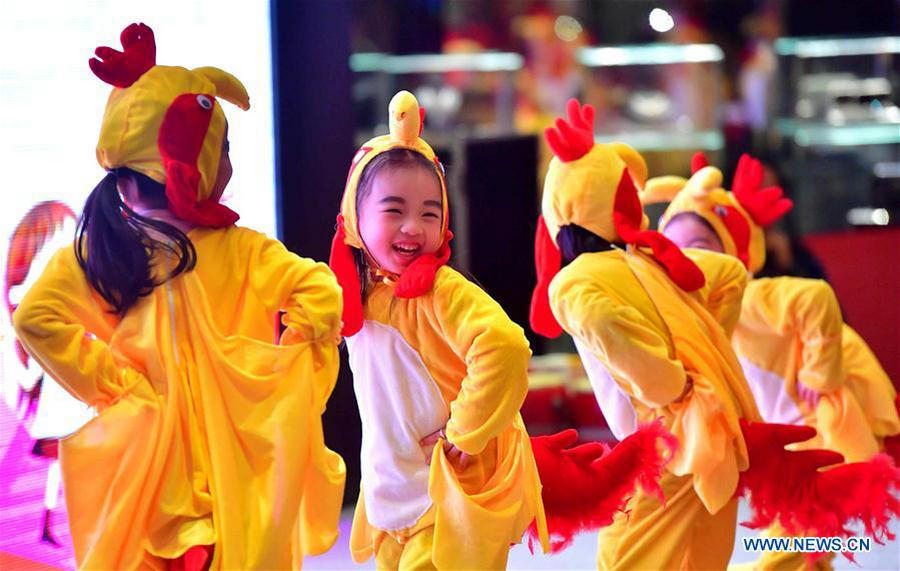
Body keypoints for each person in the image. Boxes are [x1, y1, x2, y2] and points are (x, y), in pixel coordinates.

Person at [13, 23, 345, 569]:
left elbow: (36, 317)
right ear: (194, 163)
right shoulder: (232, 250)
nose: (229, 164)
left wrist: (118, 385)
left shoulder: (111, 247)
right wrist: (277, 372)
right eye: (223, 149)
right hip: (212, 457)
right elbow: (320, 292)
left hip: (155, 458)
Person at [328, 90, 674, 570]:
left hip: (452, 495)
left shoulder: (442, 292)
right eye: (394, 210)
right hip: (394, 491)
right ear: (354, 216)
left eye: (430, 212)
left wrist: (463, 431)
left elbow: (506, 346)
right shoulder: (358, 293)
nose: (413, 227)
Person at [648, 152, 900, 570]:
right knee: (806, 540)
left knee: (793, 540)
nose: (689, 259)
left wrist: (819, 374)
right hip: (794, 438)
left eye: (701, 247)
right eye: (674, 249)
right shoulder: (701, 314)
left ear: (734, 255)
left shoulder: (748, 295)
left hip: (820, 430)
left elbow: (816, 296)